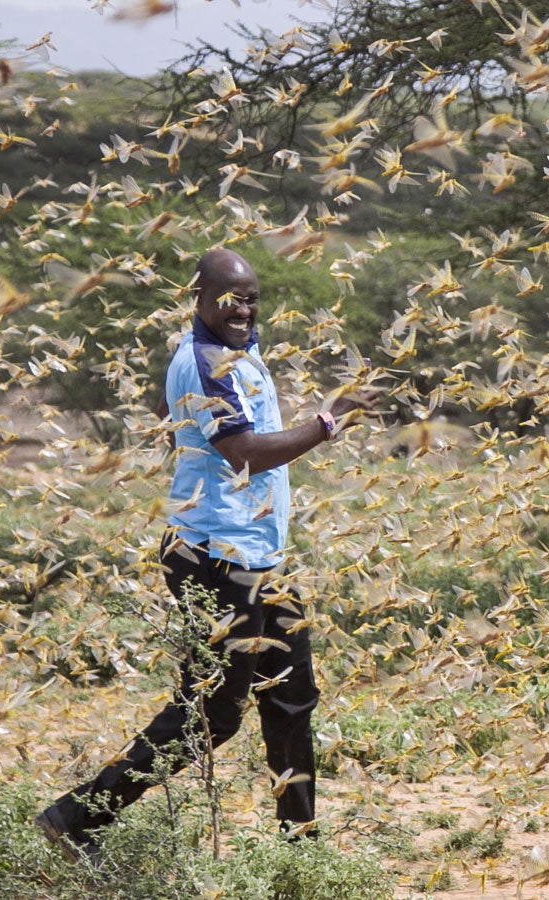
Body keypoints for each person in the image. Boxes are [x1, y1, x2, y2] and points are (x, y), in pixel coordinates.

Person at [36, 248, 379, 858]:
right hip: (217, 557)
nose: (243, 308)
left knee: (292, 694)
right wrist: (329, 422)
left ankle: (300, 845)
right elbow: (245, 451)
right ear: (199, 297)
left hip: (257, 557)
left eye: (251, 297)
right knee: (214, 712)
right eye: (231, 297)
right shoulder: (205, 361)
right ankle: (76, 818)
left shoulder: (231, 352)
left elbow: (169, 415)